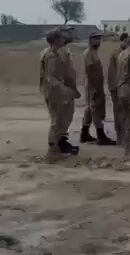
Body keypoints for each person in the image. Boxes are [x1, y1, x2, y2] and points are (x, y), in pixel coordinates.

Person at [39, 28, 79, 158]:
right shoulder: (51, 56)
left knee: (61, 119)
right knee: (56, 121)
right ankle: (53, 151)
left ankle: (58, 147)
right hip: (54, 92)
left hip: (56, 91)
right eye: (61, 37)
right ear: (55, 40)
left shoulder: (53, 53)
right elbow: (50, 77)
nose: (64, 39)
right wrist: (63, 89)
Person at [80, 31, 117, 145]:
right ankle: (101, 135)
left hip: (97, 85)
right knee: (95, 109)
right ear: (90, 40)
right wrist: (95, 88)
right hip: (93, 86)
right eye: (95, 39)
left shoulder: (94, 53)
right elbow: (90, 71)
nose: (98, 41)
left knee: (90, 110)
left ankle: (84, 133)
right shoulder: (88, 53)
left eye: (99, 39)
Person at [107, 33, 129, 143]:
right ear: (121, 41)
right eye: (125, 41)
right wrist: (112, 87)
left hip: (125, 87)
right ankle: (120, 136)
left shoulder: (128, 54)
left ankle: (125, 135)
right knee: (118, 112)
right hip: (116, 87)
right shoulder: (116, 54)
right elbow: (111, 72)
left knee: (126, 112)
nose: (127, 43)